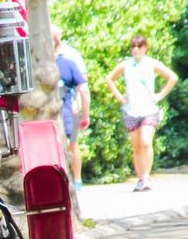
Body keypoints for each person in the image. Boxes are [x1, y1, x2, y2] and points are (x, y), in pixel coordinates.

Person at [105, 35, 178, 192]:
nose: (135, 50)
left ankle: (146, 177)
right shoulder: (126, 65)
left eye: (139, 46)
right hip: (131, 110)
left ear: (145, 48)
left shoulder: (151, 63)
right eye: (133, 47)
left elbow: (172, 77)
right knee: (136, 146)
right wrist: (120, 97)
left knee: (146, 141)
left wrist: (160, 95)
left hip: (149, 110)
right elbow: (109, 78)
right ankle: (140, 178)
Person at [52, 26, 91, 193]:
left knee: (70, 144)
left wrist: (83, 112)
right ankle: (71, 181)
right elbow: (84, 90)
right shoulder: (58, 62)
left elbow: (83, 89)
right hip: (61, 110)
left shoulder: (68, 60)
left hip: (68, 109)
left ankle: (76, 180)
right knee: (66, 145)